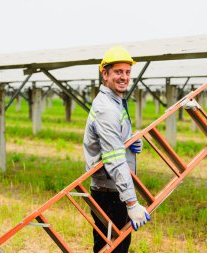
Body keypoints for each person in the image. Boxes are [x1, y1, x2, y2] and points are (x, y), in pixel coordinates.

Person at [83, 45, 150, 253]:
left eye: (128, 72)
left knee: (108, 246)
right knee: (113, 248)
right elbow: (114, 158)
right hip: (110, 194)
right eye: (118, 72)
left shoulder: (115, 102)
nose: (124, 77)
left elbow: (113, 140)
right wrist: (131, 202)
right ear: (105, 74)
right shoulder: (107, 109)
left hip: (111, 190)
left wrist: (129, 142)